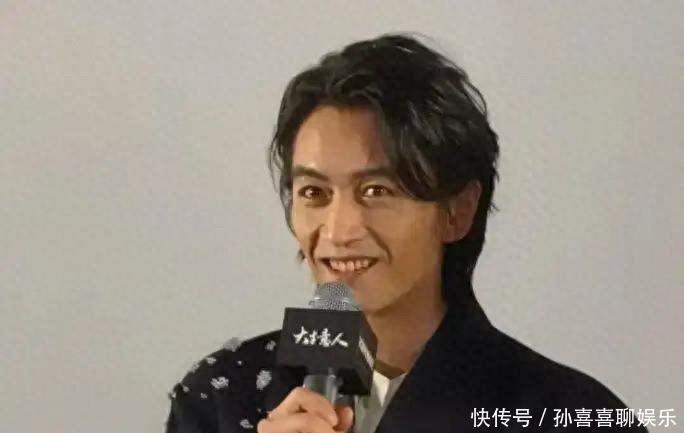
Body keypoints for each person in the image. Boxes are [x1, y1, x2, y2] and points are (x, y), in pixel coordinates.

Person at [164, 33, 647, 433]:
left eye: (376, 190)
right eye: (314, 193)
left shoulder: (569, 414)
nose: (338, 230)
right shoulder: (224, 397)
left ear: (457, 211)